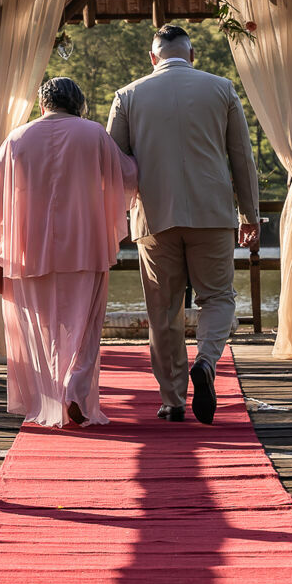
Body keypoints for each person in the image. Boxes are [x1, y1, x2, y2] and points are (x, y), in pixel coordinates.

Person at [106, 25, 259, 424]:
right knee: (218, 297)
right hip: (212, 213)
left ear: (152, 57)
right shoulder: (222, 89)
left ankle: (173, 400)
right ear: (192, 55)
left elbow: (112, 166)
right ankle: (207, 361)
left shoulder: (127, 95)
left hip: (154, 216)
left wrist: (117, 213)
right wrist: (249, 214)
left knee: (163, 310)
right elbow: (241, 157)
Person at [0, 77, 137, 428]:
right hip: (85, 245)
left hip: (29, 249)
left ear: (42, 105)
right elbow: (127, 178)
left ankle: (49, 400)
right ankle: (74, 390)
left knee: (39, 328)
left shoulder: (15, 139)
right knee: (86, 326)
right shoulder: (95, 134)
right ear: (78, 103)